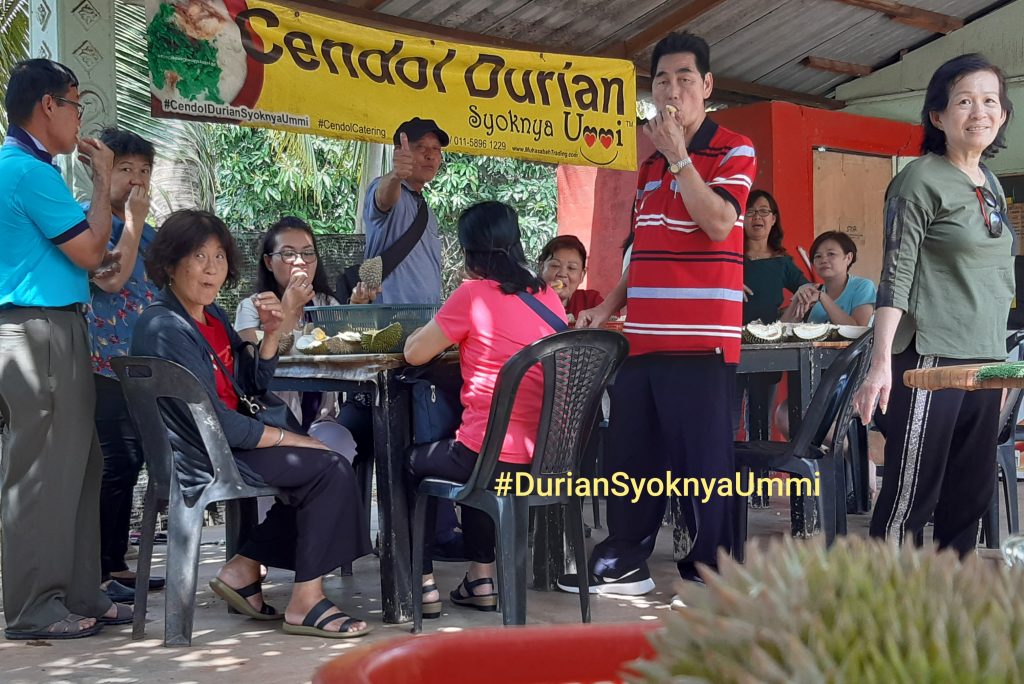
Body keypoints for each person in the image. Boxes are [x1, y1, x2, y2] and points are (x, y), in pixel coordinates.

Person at [557, 32, 756, 597]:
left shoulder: (734, 148)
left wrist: (680, 158)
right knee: (632, 457)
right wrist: (607, 309)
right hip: (641, 339)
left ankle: (715, 574)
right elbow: (639, 255)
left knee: (704, 465)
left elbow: (719, 223)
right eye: (663, 80)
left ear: (707, 87)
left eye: (685, 80)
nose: (673, 90)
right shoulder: (646, 167)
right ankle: (625, 561)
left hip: (702, 342)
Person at [131, 210, 372, 638]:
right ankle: (305, 602)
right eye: (199, 256)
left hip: (224, 440)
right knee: (329, 467)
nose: (211, 268)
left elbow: (252, 385)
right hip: (205, 451)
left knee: (326, 465)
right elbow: (216, 419)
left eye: (219, 257)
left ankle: (243, 569)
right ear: (169, 264)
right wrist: (290, 437)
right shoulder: (164, 326)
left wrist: (272, 334)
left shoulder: (212, 318)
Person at [852, 53, 1015, 557]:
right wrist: (880, 364)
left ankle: (950, 603)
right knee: (910, 497)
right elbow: (895, 275)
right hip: (930, 358)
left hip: (985, 360)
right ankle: (883, 606)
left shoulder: (992, 184)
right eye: (964, 101)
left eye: (990, 101)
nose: (979, 111)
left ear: (1004, 114)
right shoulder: (919, 180)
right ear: (937, 116)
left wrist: (1005, 367)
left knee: (969, 494)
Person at [0, 59, 131, 640]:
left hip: (55, 325)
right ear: (48, 105)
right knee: (44, 469)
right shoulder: (28, 172)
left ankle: (80, 591)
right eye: (76, 104)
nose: (81, 118)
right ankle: (34, 606)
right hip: (38, 330)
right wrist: (104, 180)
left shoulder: (28, 169)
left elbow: (90, 255)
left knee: (81, 462)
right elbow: (89, 251)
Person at [404, 201, 566, 617]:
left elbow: (416, 353)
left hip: (487, 459)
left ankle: (421, 585)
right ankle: (481, 578)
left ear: (468, 251)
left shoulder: (472, 295)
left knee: (410, 462)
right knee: (480, 449)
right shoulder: (548, 296)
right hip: (545, 460)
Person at [84, 128, 166, 603]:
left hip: (142, 366)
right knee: (115, 464)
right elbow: (111, 279)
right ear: (104, 173)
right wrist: (133, 222)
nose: (136, 179)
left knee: (133, 462)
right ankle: (100, 570)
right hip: (101, 364)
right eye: (125, 168)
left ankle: (117, 564)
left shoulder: (151, 233)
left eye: (144, 170)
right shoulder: (92, 224)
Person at [235, 217, 357, 461]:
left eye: (308, 253)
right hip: (270, 424)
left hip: (321, 422)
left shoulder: (327, 305)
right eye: (288, 254)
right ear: (269, 262)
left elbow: (346, 346)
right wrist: (288, 310)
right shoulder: (252, 307)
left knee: (341, 445)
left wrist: (357, 307)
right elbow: (254, 364)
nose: (300, 261)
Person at [736, 190, 808, 438]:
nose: (757, 216)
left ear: (774, 219)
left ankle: (758, 476)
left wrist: (791, 311)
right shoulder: (728, 258)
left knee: (761, 424)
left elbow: (806, 290)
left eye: (764, 211)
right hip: (730, 346)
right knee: (727, 422)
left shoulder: (782, 262)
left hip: (768, 348)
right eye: (751, 211)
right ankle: (727, 475)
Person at [781, 231, 875, 325]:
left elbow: (858, 329)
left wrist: (822, 297)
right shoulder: (811, 291)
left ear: (848, 258)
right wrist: (797, 297)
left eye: (831, 254)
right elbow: (782, 330)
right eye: (818, 256)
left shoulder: (863, 286)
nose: (823, 260)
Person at [537, 235, 604, 319]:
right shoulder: (527, 301)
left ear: (582, 275)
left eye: (571, 268)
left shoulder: (592, 301)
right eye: (555, 265)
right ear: (541, 268)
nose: (562, 273)